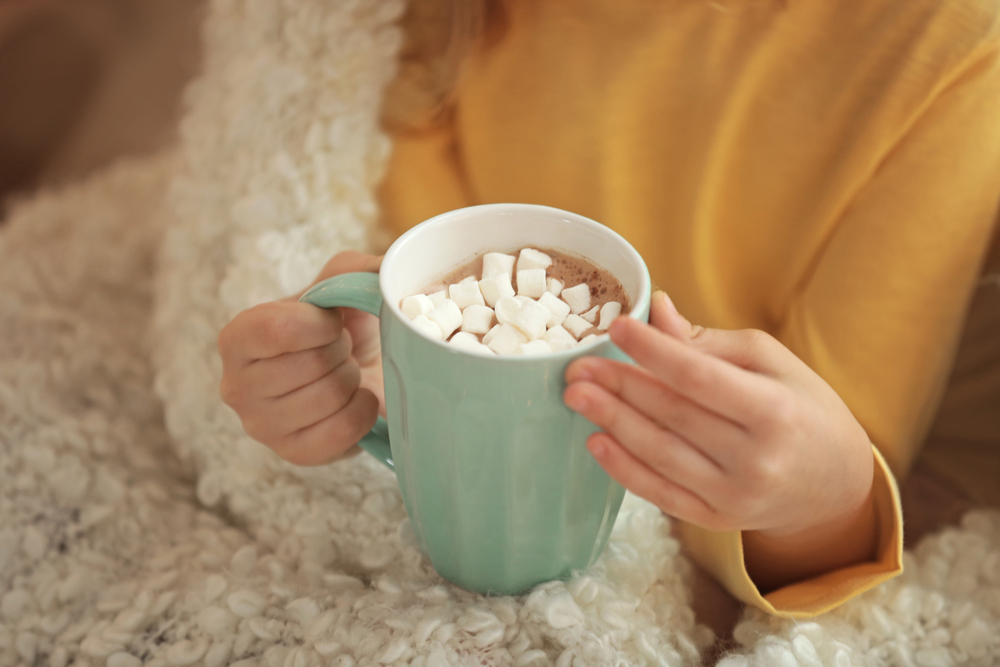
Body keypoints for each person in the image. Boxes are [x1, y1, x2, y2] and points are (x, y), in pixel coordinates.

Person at [216, 0, 1000, 622]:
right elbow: (423, 297)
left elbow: (842, 483)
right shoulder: (437, 21)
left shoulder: (952, 41)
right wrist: (352, 384)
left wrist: (823, 499)